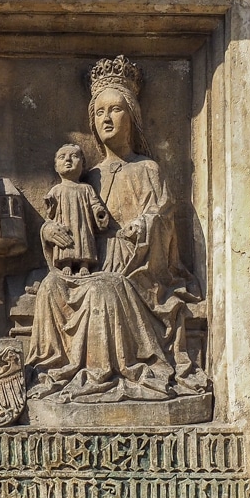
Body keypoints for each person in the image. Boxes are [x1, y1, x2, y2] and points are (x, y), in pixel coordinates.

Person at [27, 55, 208, 404]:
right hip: (88, 265)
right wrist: (48, 233)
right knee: (51, 287)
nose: (106, 118)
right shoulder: (88, 176)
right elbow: (66, 218)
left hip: (135, 270)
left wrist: (143, 224)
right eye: (99, 112)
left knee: (104, 290)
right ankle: (51, 372)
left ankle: (102, 375)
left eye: (115, 109)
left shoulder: (147, 170)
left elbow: (164, 219)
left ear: (132, 116)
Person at [42, 143, 109, 276]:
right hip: (65, 224)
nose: (68, 160)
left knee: (83, 239)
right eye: (62, 157)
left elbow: (95, 204)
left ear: (83, 165)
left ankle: (84, 264)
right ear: (56, 167)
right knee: (66, 240)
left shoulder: (86, 188)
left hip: (83, 224)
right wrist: (50, 205)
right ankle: (66, 263)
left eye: (74, 156)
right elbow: (50, 215)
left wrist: (99, 213)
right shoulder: (56, 190)